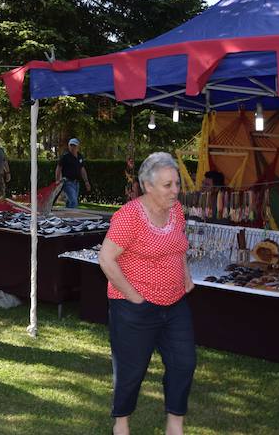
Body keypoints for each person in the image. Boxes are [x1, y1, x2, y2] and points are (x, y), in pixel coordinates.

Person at [98, 152, 196, 435]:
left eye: (176, 183)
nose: (175, 190)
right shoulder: (129, 217)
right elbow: (106, 259)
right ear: (147, 186)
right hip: (135, 307)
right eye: (168, 185)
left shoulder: (176, 210)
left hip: (175, 302)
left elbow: (179, 246)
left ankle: (174, 426)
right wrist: (133, 297)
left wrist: (186, 277)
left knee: (184, 362)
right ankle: (121, 424)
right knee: (131, 371)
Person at [55, 137, 91, 208]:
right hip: (67, 182)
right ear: (68, 146)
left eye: (74, 145)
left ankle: (67, 217)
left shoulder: (80, 157)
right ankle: (73, 218)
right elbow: (58, 168)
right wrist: (57, 180)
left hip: (76, 183)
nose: (72, 147)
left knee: (70, 202)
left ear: (78, 147)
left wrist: (86, 182)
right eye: (71, 145)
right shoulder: (65, 157)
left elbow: (82, 169)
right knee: (74, 201)